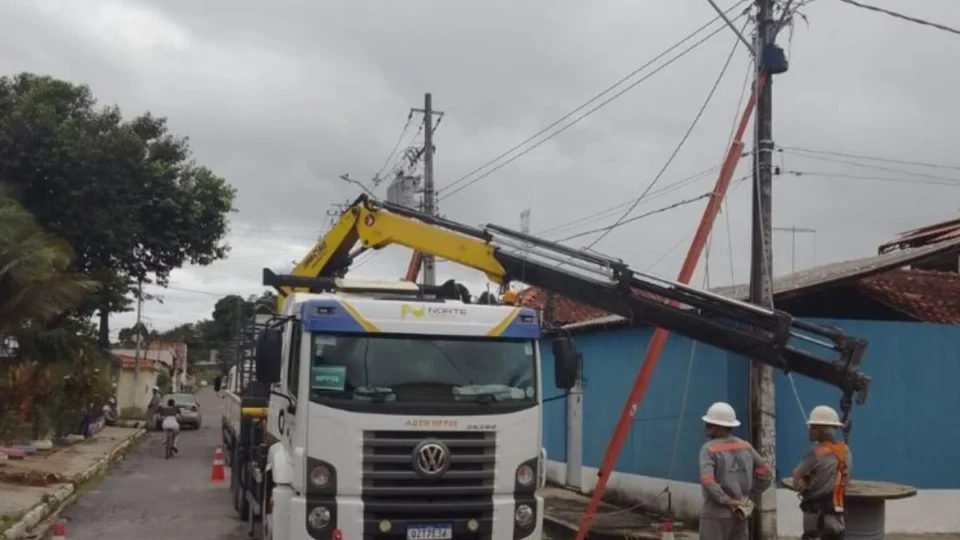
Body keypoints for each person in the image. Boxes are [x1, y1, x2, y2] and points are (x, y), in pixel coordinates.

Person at [698, 402, 774, 540]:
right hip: (740, 514)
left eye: (710, 425)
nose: (705, 428)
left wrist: (728, 501)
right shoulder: (745, 446)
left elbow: (708, 481)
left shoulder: (708, 449)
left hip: (716, 515)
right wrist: (747, 497)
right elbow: (766, 474)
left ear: (721, 427)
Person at [792, 405, 850, 540]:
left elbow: (796, 479)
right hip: (838, 517)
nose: (809, 430)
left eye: (813, 426)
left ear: (823, 430)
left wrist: (806, 483)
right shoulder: (846, 451)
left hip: (817, 520)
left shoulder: (815, 453)